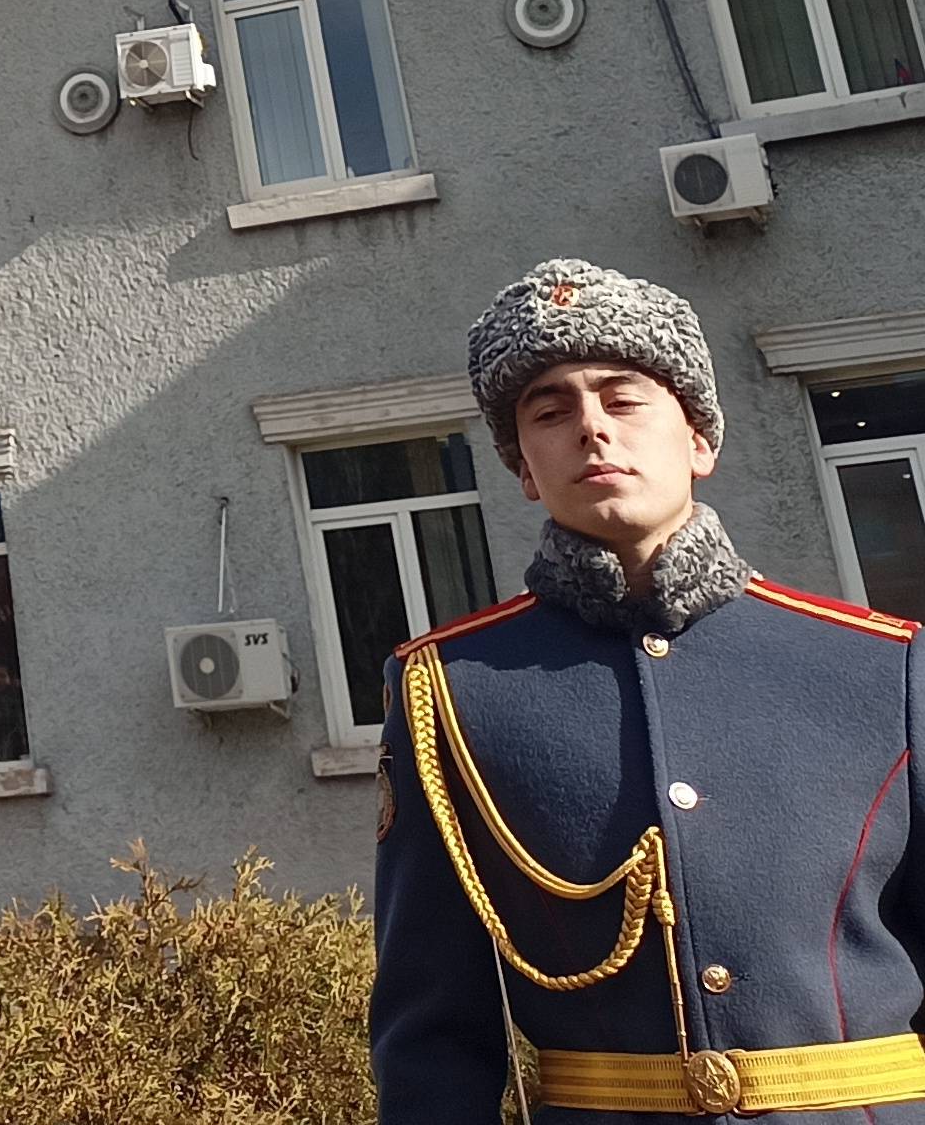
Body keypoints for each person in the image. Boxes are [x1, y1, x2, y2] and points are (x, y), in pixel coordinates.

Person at [372, 258, 925, 1122]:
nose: (592, 428)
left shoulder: (880, 667)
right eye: (550, 411)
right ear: (523, 469)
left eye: (623, 398)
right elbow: (432, 1028)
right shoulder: (451, 691)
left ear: (701, 439)